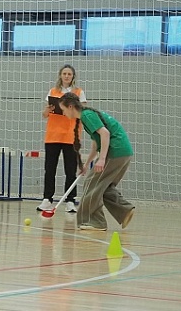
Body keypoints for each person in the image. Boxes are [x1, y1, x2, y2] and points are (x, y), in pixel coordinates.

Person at [58, 92, 135, 231]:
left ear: (70, 107)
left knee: (91, 184)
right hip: (123, 152)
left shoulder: (87, 115)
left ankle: (95, 221)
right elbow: (95, 144)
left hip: (116, 152)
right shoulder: (87, 116)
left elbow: (105, 134)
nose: (63, 114)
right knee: (103, 186)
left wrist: (102, 159)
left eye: (63, 110)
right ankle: (125, 211)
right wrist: (86, 165)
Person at [39, 64, 86, 213]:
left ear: (73, 77)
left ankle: (70, 200)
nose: (66, 76)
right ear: (60, 75)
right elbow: (45, 114)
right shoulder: (53, 91)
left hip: (71, 136)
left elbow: (83, 112)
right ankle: (47, 199)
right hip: (53, 135)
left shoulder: (78, 92)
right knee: (50, 168)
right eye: (64, 73)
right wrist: (46, 111)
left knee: (70, 169)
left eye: (69, 74)